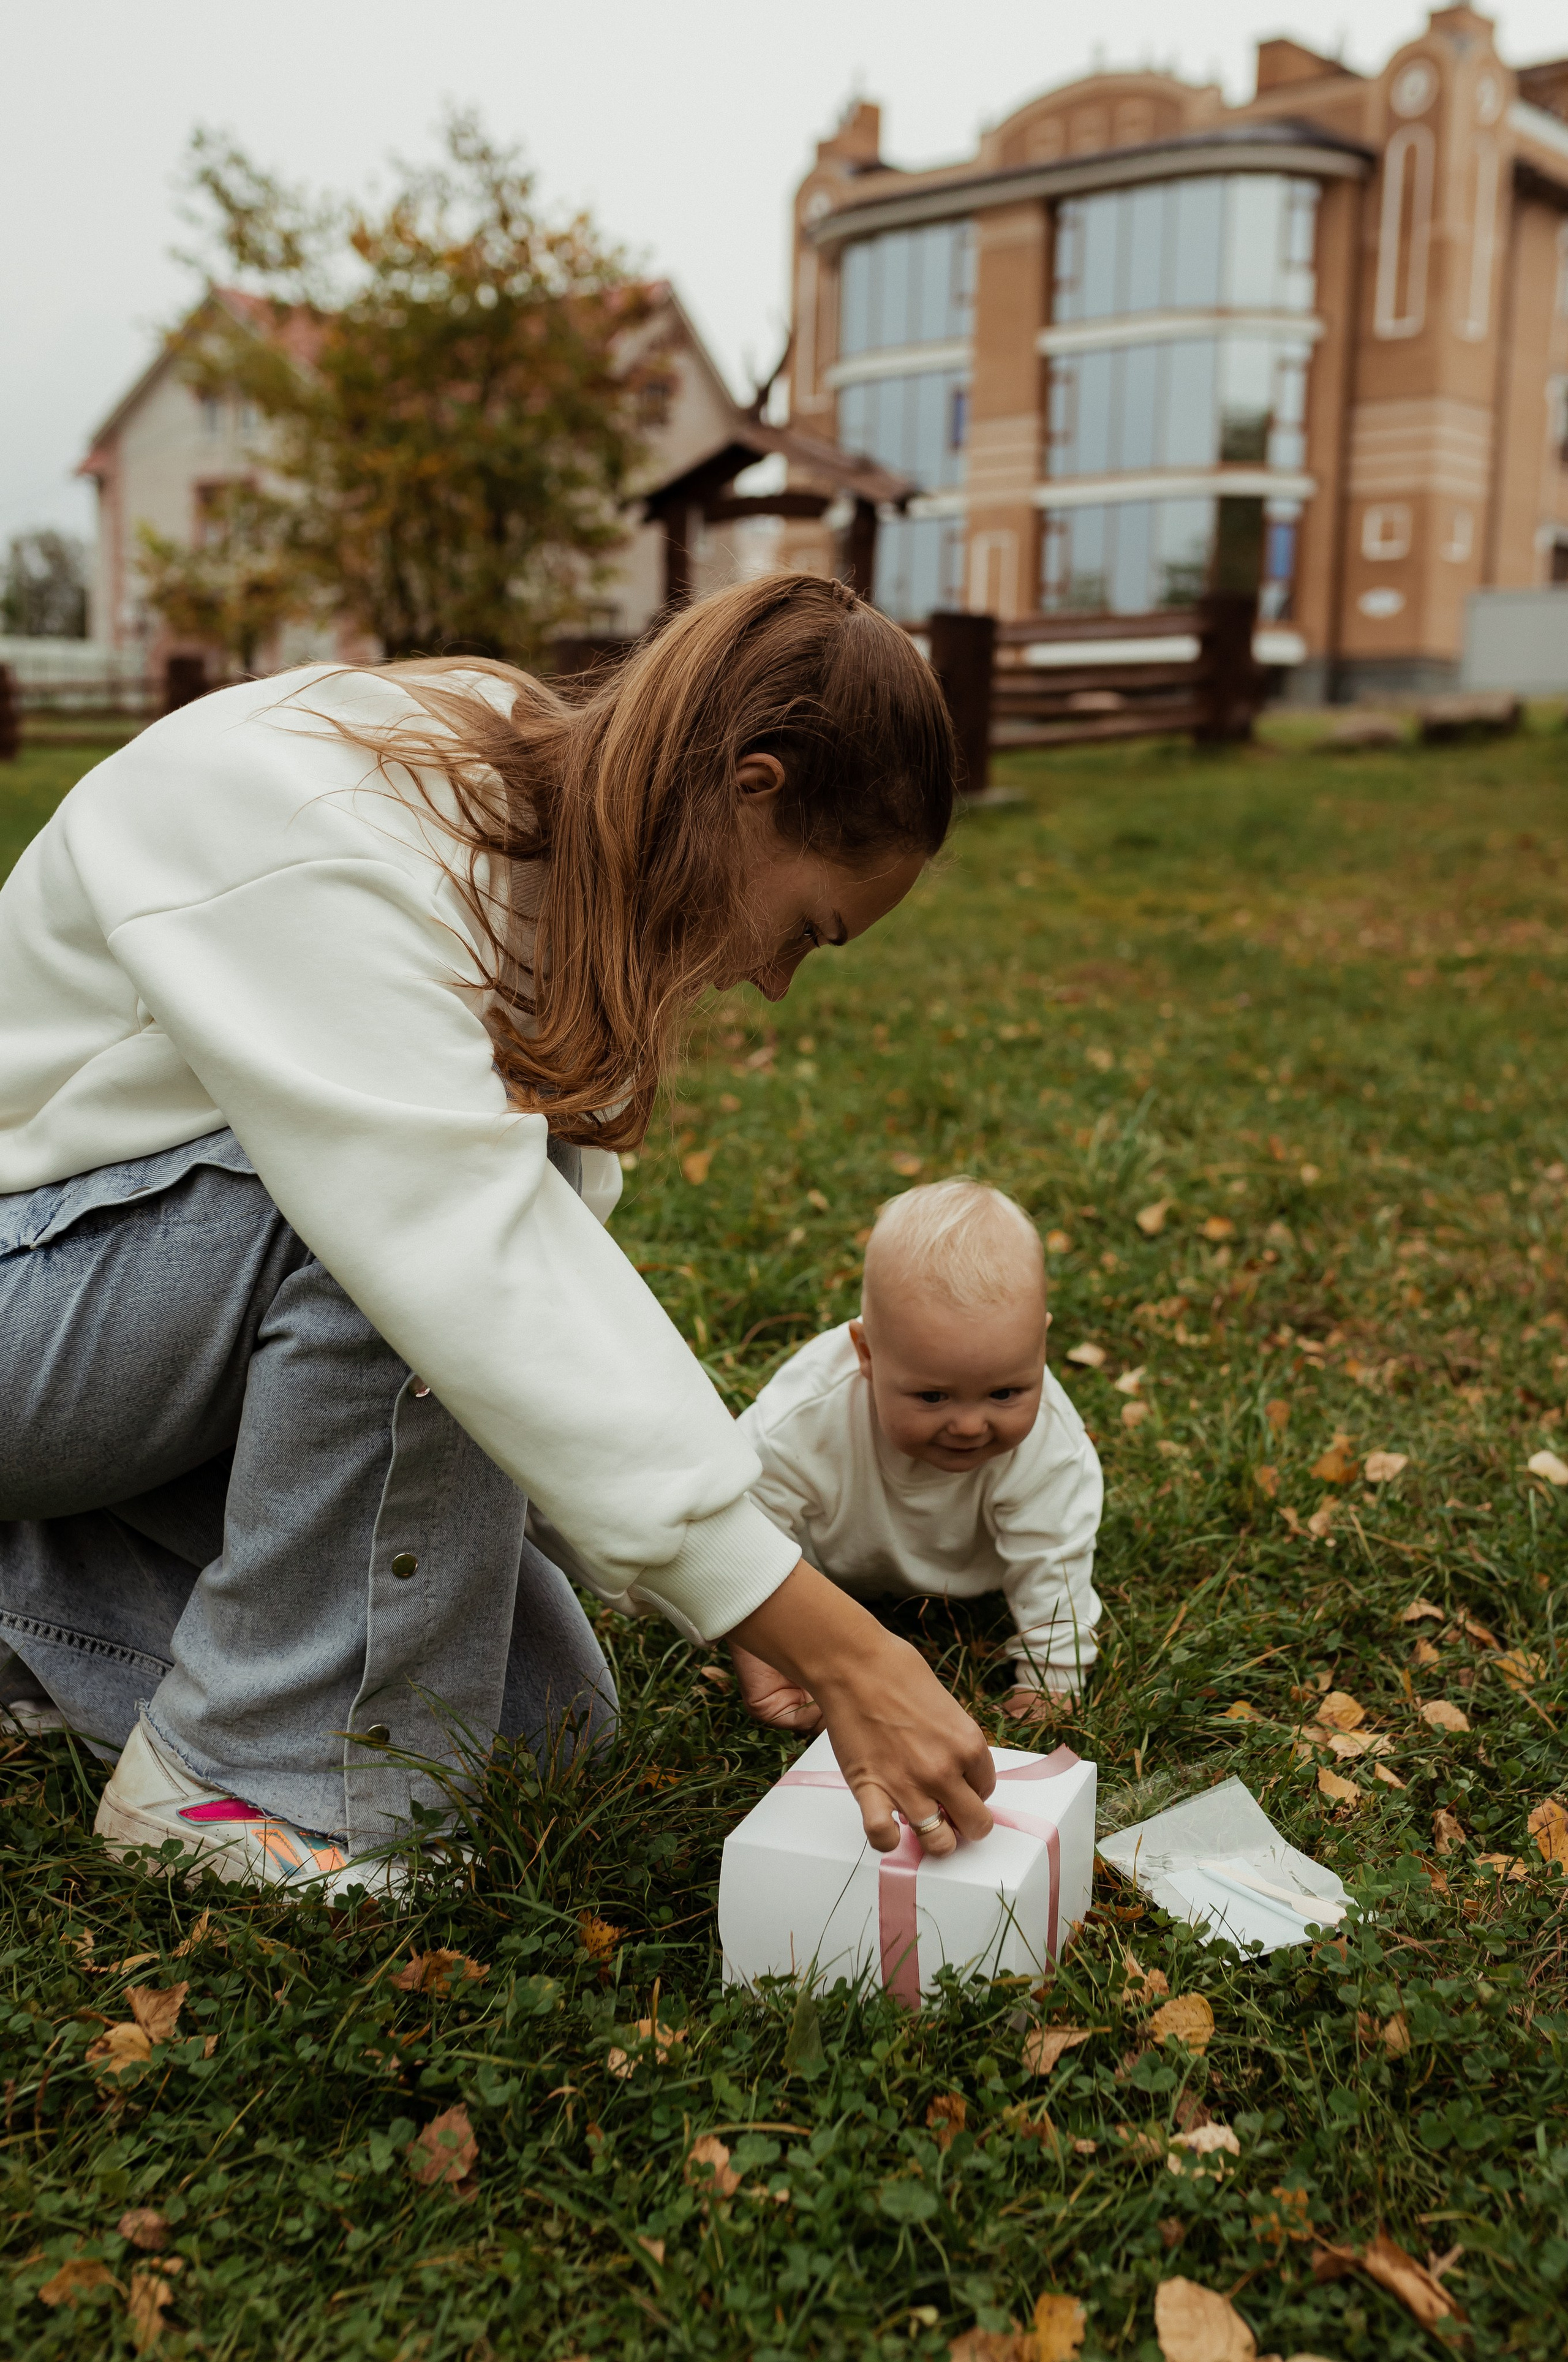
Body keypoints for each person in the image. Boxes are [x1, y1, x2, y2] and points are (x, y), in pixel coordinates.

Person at [0, 574, 998, 1896]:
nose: (772, 978)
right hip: (34, 1292)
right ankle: (244, 1780)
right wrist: (835, 1640)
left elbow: (542, 1274)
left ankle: (30, 1611)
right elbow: (458, 1264)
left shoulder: (538, 826)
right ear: (750, 786)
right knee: (379, 1253)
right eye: (807, 927)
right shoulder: (330, 820)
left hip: (122, 1320)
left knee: (534, 1726)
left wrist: (743, 1572)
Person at [729, 1178, 1102, 1729]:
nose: (971, 1425)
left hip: (974, 1579)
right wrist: (765, 1640)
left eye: (1005, 1392)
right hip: (830, 1574)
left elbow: (1056, 1555)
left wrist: (1054, 1679)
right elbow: (743, 1518)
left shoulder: (1050, 1448)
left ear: (1041, 1345)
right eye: (933, 1396)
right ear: (866, 1354)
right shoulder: (806, 1418)